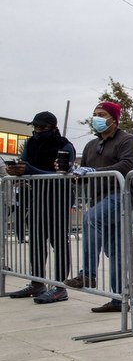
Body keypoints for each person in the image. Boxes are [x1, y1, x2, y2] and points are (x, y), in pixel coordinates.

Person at [64, 102, 133, 313]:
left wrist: (93, 172)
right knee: (115, 250)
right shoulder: (91, 145)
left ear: (114, 119)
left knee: (90, 218)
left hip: (121, 195)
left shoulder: (128, 140)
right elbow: (83, 174)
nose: (96, 118)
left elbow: (126, 166)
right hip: (98, 198)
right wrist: (72, 173)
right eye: (95, 114)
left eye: (102, 114)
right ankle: (119, 300)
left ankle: (87, 274)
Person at [6, 111, 76, 303]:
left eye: (42, 127)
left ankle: (60, 287)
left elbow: (62, 174)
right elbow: (25, 164)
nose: (38, 130)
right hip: (37, 197)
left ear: (53, 128)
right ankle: (37, 283)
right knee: (36, 241)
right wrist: (16, 170)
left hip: (59, 198)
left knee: (58, 241)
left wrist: (30, 170)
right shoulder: (30, 143)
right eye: (35, 126)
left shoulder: (64, 146)